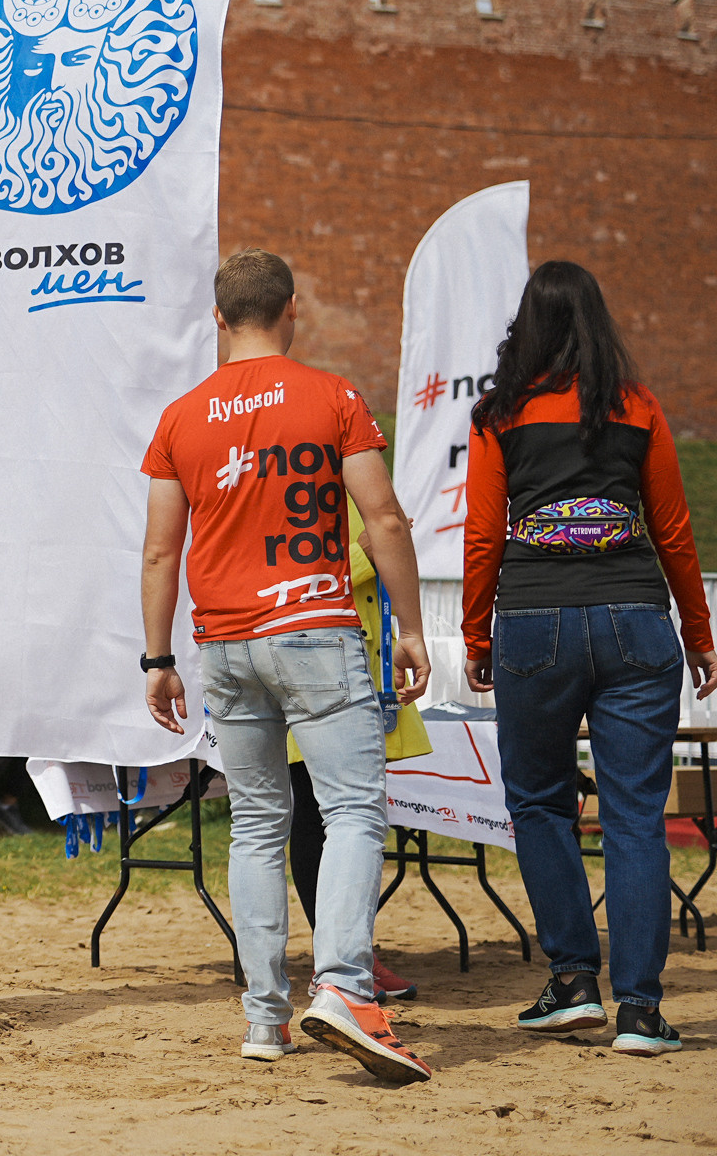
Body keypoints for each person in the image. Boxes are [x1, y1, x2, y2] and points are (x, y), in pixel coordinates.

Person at [139, 248, 434, 1083]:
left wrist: (157, 657)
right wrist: (411, 627)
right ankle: (342, 986)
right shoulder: (332, 395)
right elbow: (384, 519)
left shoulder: (180, 416)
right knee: (353, 812)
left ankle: (265, 1017)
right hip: (315, 630)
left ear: (218, 318)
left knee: (259, 823)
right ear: (292, 308)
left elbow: (160, 551)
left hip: (223, 643)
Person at [462, 260, 714, 1058]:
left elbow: (483, 535)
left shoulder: (499, 413)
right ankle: (640, 1010)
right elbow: (673, 529)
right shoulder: (637, 406)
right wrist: (701, 634)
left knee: (540, 803)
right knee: (636, 814)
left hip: (533, 623)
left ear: (528, 327)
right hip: (636, 619)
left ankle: (573, 983)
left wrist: (476, 637)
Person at [285, 504, 432, 1002]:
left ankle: (350, 956)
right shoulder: (292, 474)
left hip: (358, 664)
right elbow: (292, 580)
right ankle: (338, 962)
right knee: (316, 816)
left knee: (352, 818)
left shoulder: (353, 482)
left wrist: (389, 650)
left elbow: (367, 594)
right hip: (307, 665)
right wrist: (369, 551)